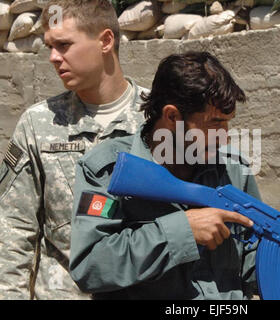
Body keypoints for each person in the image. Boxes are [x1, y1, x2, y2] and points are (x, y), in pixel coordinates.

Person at [69, 51, 280, 299]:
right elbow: (90, 266)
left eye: (227, 123)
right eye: (215, 123)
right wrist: (182, 230)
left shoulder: (232, 170)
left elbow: (249, 258)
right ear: (172, 117)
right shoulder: (108, 170)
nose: (224, 136)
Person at [0, 0, 147, 300]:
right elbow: (12, 228)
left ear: (105, 41)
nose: (53, 58)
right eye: (50, 46)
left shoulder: (159, 119)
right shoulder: (38, 124)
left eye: (64, 45)